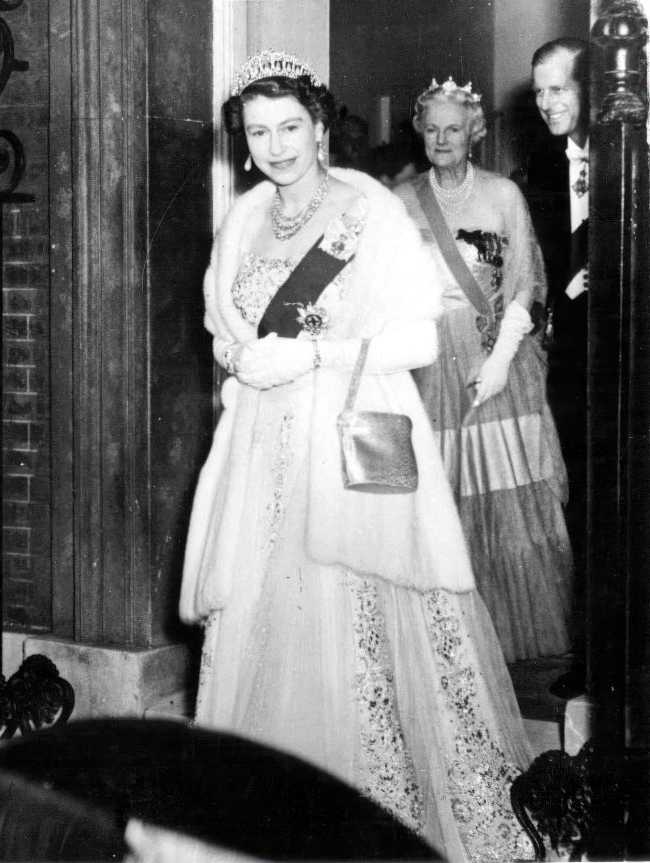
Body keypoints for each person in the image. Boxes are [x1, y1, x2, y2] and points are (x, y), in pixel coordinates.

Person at [180, 50, 534, 862]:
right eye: (258, 131)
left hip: (344, 436)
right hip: (260, 446)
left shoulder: (366, 210)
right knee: (266, 615)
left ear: (318, 125)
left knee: (354, 619)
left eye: (290, 128)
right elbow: (220, 322)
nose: (274, 147)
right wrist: (243, 359)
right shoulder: (241, 218)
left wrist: (311, 357)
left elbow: (415, 337)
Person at [392, 80, 573, 664]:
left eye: (454, 128)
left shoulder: (502, 196)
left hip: (495, 361)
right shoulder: (399, 199)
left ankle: (506, 635)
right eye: (432, 128)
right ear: (420, 132)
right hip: (426, 366)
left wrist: (499, 362)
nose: (442, 139)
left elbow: (529, 280)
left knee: (503, 494)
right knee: (441, 495)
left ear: (475, 133)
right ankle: (449, 638)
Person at [528, 37, 590, 696]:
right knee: (586, 510)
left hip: (630, 354)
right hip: (571, 368)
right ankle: (597, 659)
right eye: (540, 90)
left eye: (560, 89)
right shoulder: (543, 173)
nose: (547, 103)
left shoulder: (636, 158)